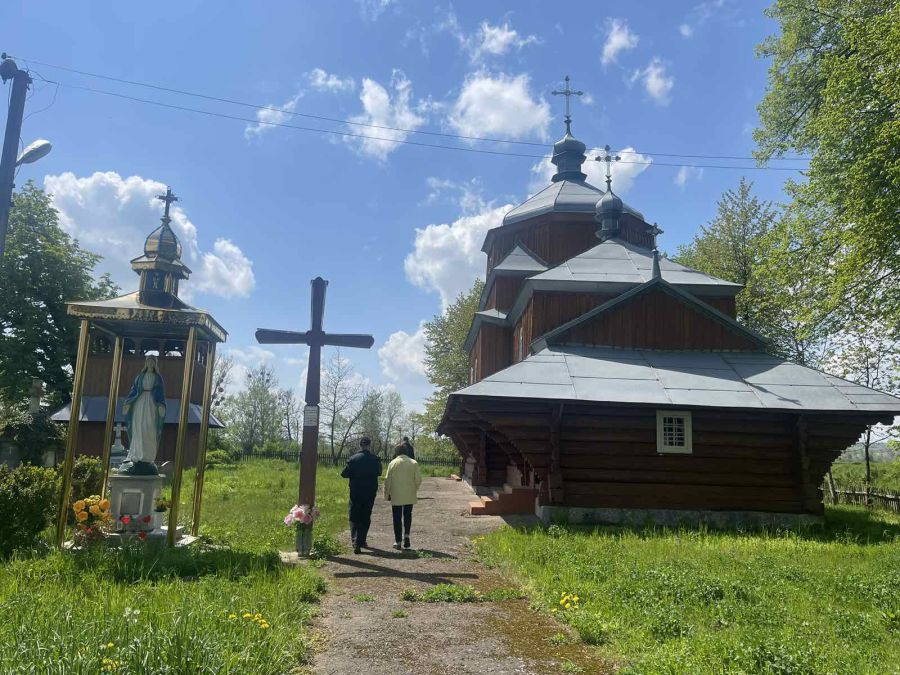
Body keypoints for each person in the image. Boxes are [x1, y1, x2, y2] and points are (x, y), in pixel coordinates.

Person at [121, 355, 167, 475]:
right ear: (146, 363)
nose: (150, 363)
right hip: (139, 403)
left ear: (155, 364)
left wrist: (161, 405)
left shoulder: (158, 378)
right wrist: (128, 403)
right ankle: (137, 456)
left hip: (151, 404)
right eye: (148, 361)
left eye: (152, 362)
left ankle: (147, 457)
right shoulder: (140, 377)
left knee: (149, 429)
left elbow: (160, 393)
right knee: (139, 429)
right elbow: (134, 390)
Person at [341, 437, 382, 554]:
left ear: (360, 445)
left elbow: (344, 474)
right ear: (369, 445)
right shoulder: (375, 459)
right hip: (369, 492)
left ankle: (355, 542)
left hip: (356, 492)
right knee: (366, 515)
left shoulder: (353, 459)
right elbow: (379, 472)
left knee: (354, 516)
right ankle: (362, 540)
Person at [383, 443, 422, 550]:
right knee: (408, 514)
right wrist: (414, 489)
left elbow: (387, 480)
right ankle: (407, 536)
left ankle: (398, 541)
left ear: (396, 452)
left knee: (397, 517)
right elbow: (418, 479)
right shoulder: (413, 463)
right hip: (409, 493)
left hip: (396, 493)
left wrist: (387, 494)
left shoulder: (392, 463)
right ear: (406, 451)